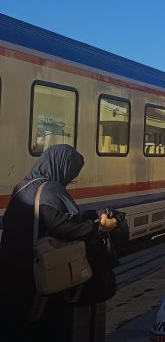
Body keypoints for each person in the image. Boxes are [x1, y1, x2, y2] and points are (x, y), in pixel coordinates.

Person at [0, 144, 119, 341]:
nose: (70, 179)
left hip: (12, 268)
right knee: (43, 325)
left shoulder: (23, 187)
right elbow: (63, 227)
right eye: (71, 173)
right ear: (62, 166)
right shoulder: (50, 189)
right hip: (38, 273)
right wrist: (100, 227)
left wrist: (88, 217)